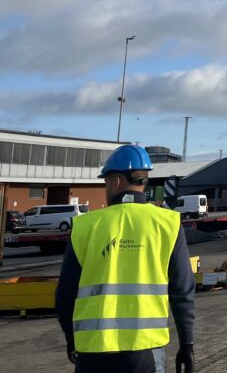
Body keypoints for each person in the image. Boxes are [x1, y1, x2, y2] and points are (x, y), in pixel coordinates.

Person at [56, 145, 196, 373]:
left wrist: (71, 339)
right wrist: (186, 343)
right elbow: (182, 291)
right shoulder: (167, 224)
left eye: (105, 183)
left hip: (93, 352)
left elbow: (65, 294)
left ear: (116, 182)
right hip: (145, 350)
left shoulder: (86, 226)